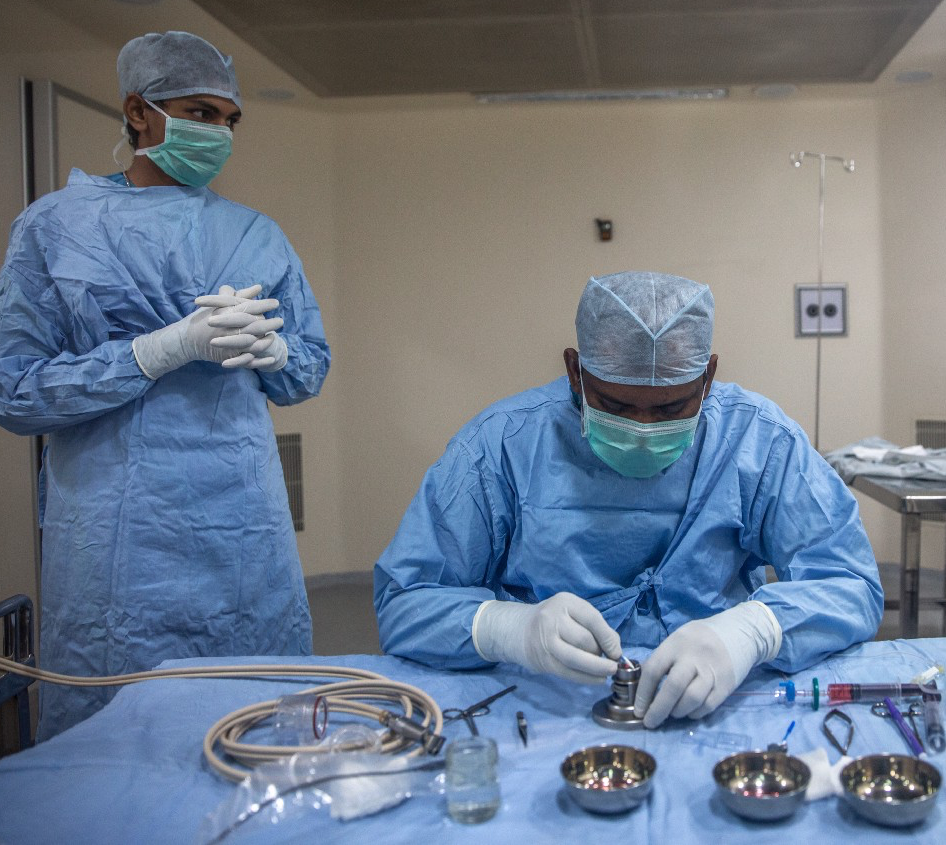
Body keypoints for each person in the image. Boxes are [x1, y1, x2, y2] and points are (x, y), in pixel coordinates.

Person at [0, 31, 330, 739]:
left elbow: (308, 369)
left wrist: (273, 350)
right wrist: (154, 352)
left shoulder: (255, 234)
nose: (219, 133)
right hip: (119, 536)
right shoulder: (56, 228)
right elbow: (8, 390)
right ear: (138, 111)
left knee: (254, 715)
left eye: (229, 119)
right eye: (200, 112)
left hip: (242, 528)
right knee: (115, 731)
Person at [375, 271, 882, 728]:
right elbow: (404, 604)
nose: (642, 432)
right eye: (615, 406)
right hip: (541, 707)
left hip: (715, 700)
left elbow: (851, 584)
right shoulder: (502, 445)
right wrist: (509, 630)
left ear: (708, 377)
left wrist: (752, 632)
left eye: (671, 409)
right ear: (575, 371)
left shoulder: (758, 442)